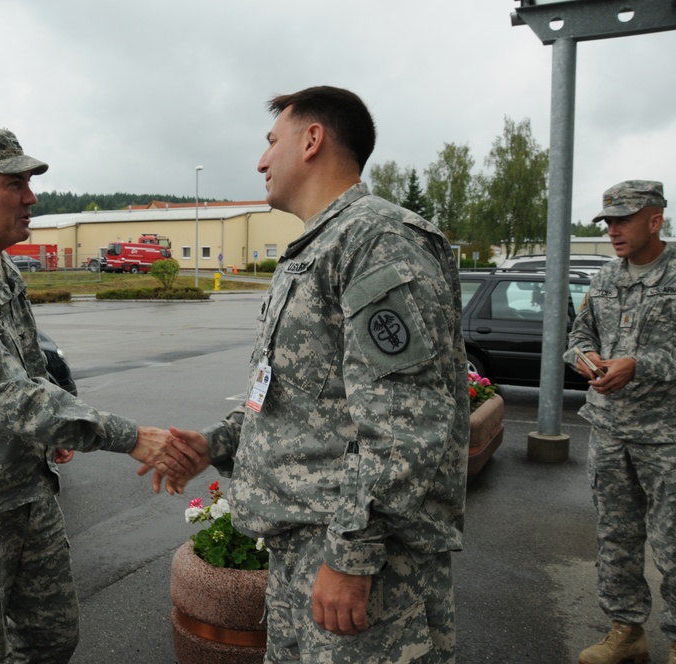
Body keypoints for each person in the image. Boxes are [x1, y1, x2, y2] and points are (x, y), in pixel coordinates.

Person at [148, 86, 469, 663]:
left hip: (357, 564)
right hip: (302, 553)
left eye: (273, 142)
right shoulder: (315, 248)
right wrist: (217, 443)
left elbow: (408, 420)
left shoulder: (376, 239)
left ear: (313, 140)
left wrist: (351, 556)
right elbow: (302, 402)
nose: (261, 160)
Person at [0, 128, 195, 663]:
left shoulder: (0, 271)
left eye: (29, 182)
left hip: (27, 496)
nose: (31, 197)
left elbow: (33, 372)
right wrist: (130, 436)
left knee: (52, 639)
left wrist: (59, 429)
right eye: (15, 184)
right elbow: (11, 397)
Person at [566, 180, 675, 664]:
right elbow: (577, 335)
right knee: (616, 538)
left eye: (623, 219)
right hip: (610, 434)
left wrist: (641, 364)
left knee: (673, 545)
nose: (612, 230)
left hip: (667, 438)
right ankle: (627, 633)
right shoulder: (606, 278)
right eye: (607, 221)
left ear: (656, 220)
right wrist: (586, 358)